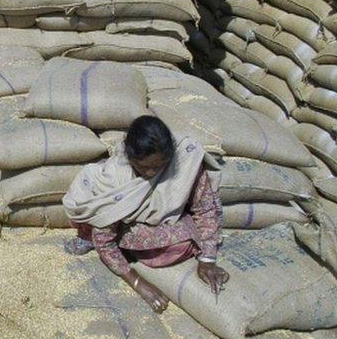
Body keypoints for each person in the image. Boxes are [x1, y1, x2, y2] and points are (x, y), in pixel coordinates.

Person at [62, 115, 229, 313]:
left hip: (164, 219)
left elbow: (206, 208)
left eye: (158, 167)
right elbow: (104, 239)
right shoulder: (116, 177)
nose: (150, 173)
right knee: (111, 232)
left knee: (181, 244)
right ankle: (89, 234)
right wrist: (138, 283)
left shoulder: (184, 162)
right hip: (123, 224)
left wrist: (207, 260)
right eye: (143, 167)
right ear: (130, 156)